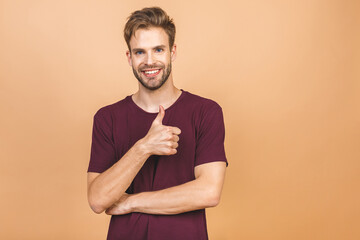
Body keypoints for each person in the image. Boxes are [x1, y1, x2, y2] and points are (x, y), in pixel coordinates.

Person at [87, 6, 228, 240]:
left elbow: (208, 192)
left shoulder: (206, 112)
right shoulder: (107, 118)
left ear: (172, 52)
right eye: (140, 52)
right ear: (129, 57)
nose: (150, 61)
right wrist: (143, 148)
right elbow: (97, 199)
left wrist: (131, 202)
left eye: (158, 49)